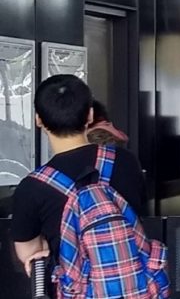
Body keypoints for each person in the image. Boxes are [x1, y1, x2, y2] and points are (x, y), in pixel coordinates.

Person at [10, 75, 148, 293]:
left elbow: (30, 254)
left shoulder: (32, 187)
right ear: (90, 115)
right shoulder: (125, 161)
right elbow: (137, 219)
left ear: (38, 120)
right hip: (136, 289)